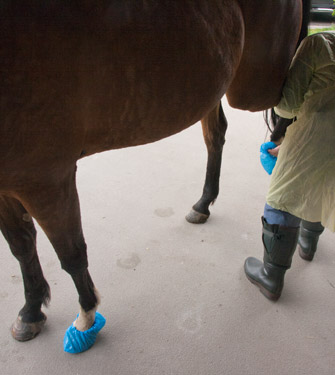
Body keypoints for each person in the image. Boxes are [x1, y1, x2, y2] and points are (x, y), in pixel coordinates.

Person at [244, 31, 335, 301]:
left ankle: (271, 277)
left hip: (313, 137)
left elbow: (288, 106)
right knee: (322, 184)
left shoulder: (321, 45)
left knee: (283, 200)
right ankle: (308, 243)